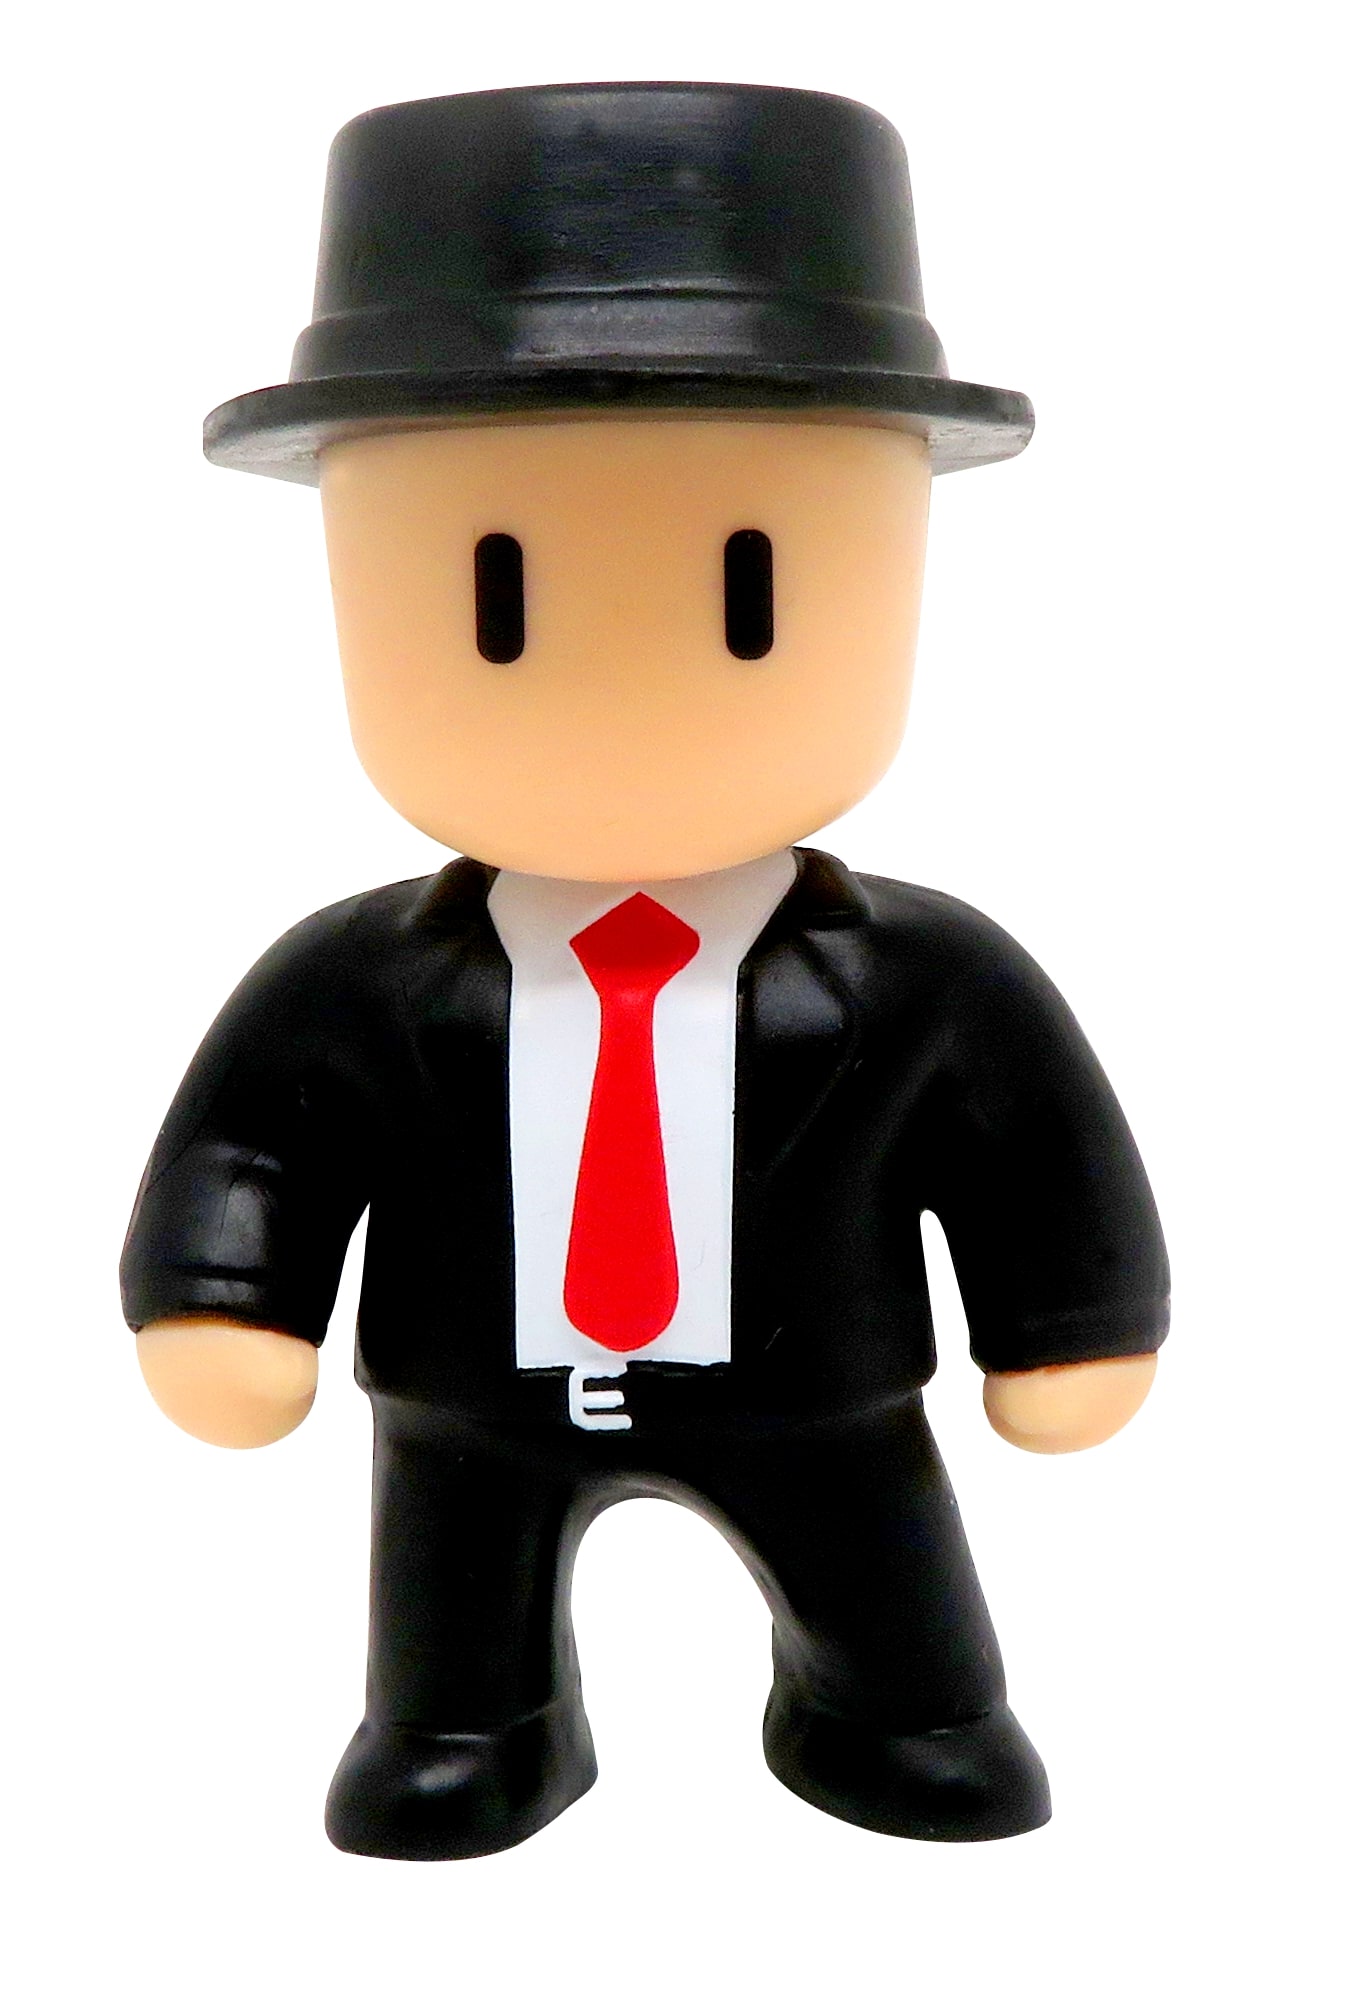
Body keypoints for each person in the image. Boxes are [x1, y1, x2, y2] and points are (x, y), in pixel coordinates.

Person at [122, 82, 1169, 1858]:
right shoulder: (363, 984)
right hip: (465, 1409)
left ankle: (893, 1712)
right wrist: (227, 1298)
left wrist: (1072, 1325)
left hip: (825, 1400)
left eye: (754, 595)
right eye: (496, 603)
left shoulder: (922, 980)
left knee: (892, 1608)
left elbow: (1036, 1151)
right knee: (451, 1626)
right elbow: (256, 1142)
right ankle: (475, 1724)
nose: (617, 687)